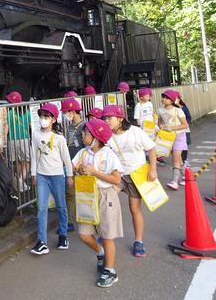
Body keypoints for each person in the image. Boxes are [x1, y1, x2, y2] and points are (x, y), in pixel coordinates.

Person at [72, 119, 124, 289]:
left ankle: (110, 271)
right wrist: (78, 170)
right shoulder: (83, 153)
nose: (83, 135)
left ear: (96, 137)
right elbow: (73, 167)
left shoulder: (109, 154)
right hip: (87, 195)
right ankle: (100, 253)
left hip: (105, 196)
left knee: (108, 236)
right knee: (84, 234)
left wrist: (95, 172)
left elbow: (116, 179)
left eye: (86, 133)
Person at [102, 105, 157, 257]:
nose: (106, 121)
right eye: (105, 118)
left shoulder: (135, 132)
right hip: (117, 175)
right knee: (107, 201)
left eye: (109, 118)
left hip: (136, 174)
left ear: (120, 119)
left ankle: (138, 241)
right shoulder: (107, 135)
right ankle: (106, 234)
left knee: (134, 209)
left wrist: (153, 169)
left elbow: (151, 149)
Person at [30, 103, 73, 254]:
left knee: (61, 206)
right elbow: (34, 155)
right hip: (42, 176)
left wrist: (69, 176)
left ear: (54, 119)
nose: (43, 119)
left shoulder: (59, 139)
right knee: (41, 208)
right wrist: (33, 174)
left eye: (46, 117)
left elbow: (66, 159)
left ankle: (63, 235)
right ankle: (41, 241)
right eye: (41, 116)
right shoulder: (35, 134)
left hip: (57, 176)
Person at [61, 97, 85, 232]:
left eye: (66, 112)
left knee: (83, 194)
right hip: (70, 164)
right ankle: (69, 221)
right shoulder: (69, 127)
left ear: (73, 111)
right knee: (70, 193)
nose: (65, 114)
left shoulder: (84, 127)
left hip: (81, 165)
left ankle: (87, 219)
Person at [157, 90, 189, 190]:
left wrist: (172, 128)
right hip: (168, 137)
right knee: (178, 159)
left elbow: (185, 125)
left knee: (175, 158)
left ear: (172, 100)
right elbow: (160, 122)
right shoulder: (160, 110)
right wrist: (161, 126)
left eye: (166, 98)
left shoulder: (178, 111)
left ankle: (174, 182)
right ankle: (187, 176)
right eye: (163, 97)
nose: (163, 99)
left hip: (179, 136)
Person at [6, 91, 31, 191]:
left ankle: (20, 183)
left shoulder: (10, 113)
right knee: (27, 162)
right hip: (24, 139)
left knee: (18, 162)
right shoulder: (26, 111)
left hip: (12, 140)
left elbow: (7, 128)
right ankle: (21, 180)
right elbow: (30, 126)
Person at [174, 96, 193, 172]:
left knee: (185, 146)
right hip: (176, 130)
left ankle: (185, 160)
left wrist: (186, 124)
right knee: (178, 147)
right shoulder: (171, 108)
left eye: (176, 98)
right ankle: (180, 161)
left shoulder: (183, 107)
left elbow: (188, 117)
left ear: (179, 99)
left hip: (185, 129)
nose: (174, 100)